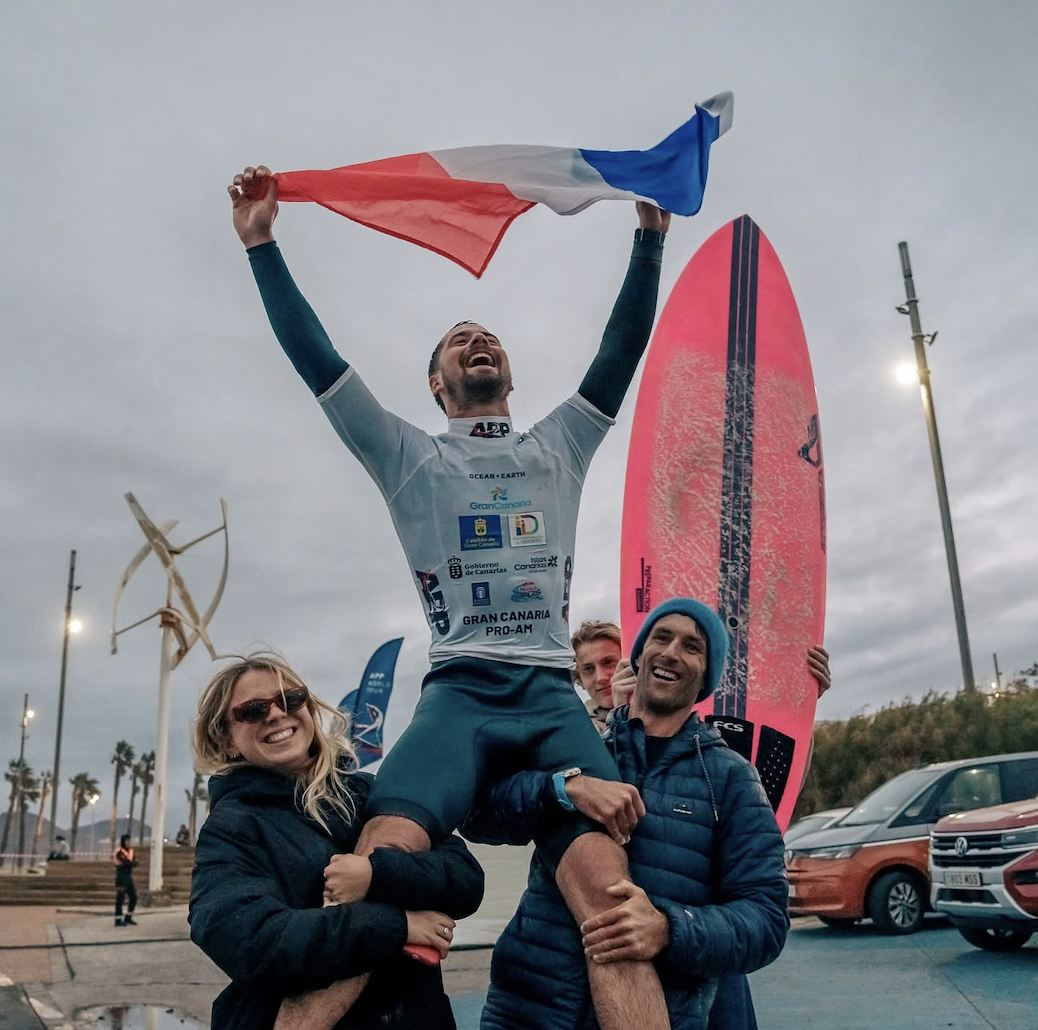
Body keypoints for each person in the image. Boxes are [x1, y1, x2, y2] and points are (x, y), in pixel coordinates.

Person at [229, 164, 674, 1029]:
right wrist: (262, 245)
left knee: (618, 909)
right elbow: (319, 362)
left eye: (488, 336)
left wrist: (649, 239)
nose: (478, 342)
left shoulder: (562, 446)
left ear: (505, 370)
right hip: (460, 695)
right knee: (368, 869)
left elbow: (619, 351)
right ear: (437, 385)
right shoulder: (407, 458)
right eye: (457, 340)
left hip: (550, 698)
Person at [465, 598, 790, 1030]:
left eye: (692, 647)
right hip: (531, 1010)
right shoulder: (574, 748)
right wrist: (565, 788)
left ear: (707, 677)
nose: (672, 652)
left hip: (654, 1012)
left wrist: (668, 929)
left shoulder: (731, 779)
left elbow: (766, 920)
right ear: (639, 655)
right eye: (661, 636)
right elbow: (478, 813)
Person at [188, 653, 484, 1030]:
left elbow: (465, 879)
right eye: (253, 710)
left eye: (290, 699)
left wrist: (374, 874)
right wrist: (397, 926)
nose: (277, 714)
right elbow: (250, 941)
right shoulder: (232, 827)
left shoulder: (369, 793)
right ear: (227, 741)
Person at [570, 618, 830, 1030]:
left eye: (609, 662)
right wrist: (564, 782)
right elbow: (499, 804)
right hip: (572, 994)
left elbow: (773, 788)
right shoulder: (573, 749)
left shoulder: (719, 767)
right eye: (589, 669)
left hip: (700, 985)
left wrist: (797, 703)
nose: (602, 676)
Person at [113, 834, 138, 927]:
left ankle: (128, 917)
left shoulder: (131, 851)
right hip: (121, 877)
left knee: (133, 897)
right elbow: (127, 863)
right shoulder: (119, 852)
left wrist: (131, 863)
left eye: (129, 841)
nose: (128, 843)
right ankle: (118, 919)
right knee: (120, 899)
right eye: (127, 841)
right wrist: (131, 863)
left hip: (128, 877)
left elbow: (134, 862)